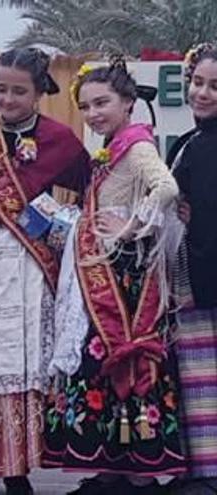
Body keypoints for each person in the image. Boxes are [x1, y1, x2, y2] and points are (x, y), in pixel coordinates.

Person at [0, 48, 90, 495]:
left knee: (22, 355)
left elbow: (87, 192)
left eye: (18, 91)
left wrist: (59, 224)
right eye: (1, 89)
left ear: (40, 91)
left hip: (28, 259)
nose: (7, 99)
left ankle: (17, 467)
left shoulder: (61, 140)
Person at [44, 58, 186, 494]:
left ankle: (128, 466)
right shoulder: (114, 145)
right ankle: (110, 463)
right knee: (99, 359)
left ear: (127, 102)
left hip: (125, 275)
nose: (93, 114)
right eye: (85, 107)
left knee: (117, 353)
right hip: (106, 266)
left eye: (102, 103)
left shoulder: (137, 146)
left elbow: (167, 188)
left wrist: (129, 227)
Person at [167, 42, 217, 494]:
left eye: (214, 86)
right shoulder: (191, 141)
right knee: (198, 379)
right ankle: (201, 471)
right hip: (194, 276)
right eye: (197, 82)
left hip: (208, 280)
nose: (202, 93)